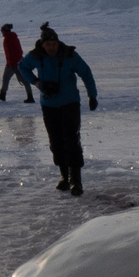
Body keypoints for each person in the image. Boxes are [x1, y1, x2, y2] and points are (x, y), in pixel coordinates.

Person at [18, 23, 97, 193]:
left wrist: (92, 96)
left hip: (70, 103)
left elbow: (86, 73)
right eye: (48, 45)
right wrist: (37, 83)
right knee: (55, 142)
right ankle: (64, 176)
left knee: (71, 140)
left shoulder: (69, 55)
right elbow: (22, 67)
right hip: (49, 105)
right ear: (42, 45)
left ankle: (76, 179)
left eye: (54, 44)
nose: (51, 48)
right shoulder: (36, 56)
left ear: (58, 43)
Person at [0, 23, 26, 101]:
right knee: (23, 79)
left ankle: (3, 94)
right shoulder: (12, 37)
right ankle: (30, 96)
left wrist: (12, 63)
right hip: (16, 62)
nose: (2, 32)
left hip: (12, 64)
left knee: (6, 78)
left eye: (2, 31)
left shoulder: (8, 39)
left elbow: (12, 52)